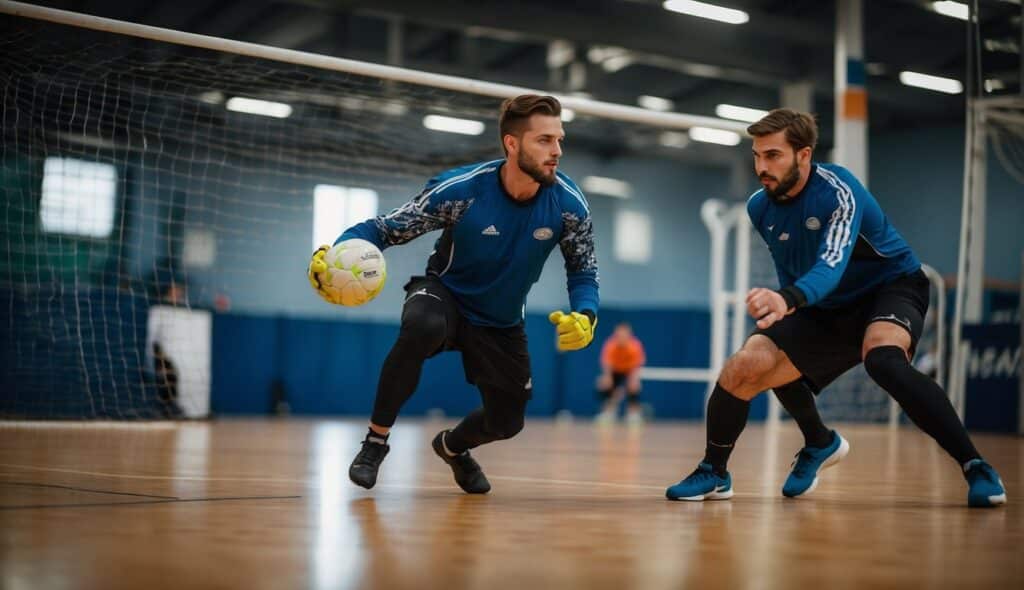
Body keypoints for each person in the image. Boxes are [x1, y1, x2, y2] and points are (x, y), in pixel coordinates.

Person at [665, 109, 1006, 508]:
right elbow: (795, 268)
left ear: (804, 155)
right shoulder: (760, 207)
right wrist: (784, 311)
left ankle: (976, 467)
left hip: (889, 287)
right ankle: (721, 471)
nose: (762, 167)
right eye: (757, 156)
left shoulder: (839, 189)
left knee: (883, 360)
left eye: (773, 155)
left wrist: (787, 298)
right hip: (825, 302)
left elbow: (831, 262)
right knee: (750, 363)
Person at [308, 94, 599, 494]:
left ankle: (453, 448)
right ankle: (375, 442)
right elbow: (384, 229)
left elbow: (583, 269)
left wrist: (586, 313)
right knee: (421, 326)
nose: (557, 151)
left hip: (501, 319)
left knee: (507, 423)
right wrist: (336, 249)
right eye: (545, 141)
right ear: (512, 144)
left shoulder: (569, 207)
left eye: (559, 140)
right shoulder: (461, 191)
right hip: (445, 294)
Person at [595, 322, 646, 425]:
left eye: (624, 334)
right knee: (603, 384)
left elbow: (637, 365)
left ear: (629, 335)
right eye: (619, 334)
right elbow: (606, 364)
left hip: (629, 371)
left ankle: (633, 413)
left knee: (634, 386)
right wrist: (608, 379)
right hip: (615, 371)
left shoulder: (635, 346)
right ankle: (608, 411)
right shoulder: (610, 345)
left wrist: (634, 380)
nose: (621, 337)